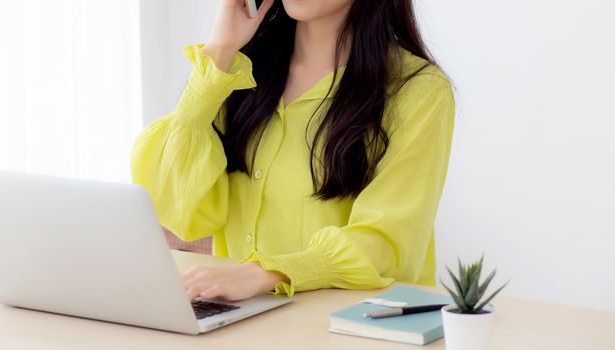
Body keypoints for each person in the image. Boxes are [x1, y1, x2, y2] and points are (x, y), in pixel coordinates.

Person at [131, 0, 454, 302]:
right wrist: (220, 50)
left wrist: (263, 273)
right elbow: (181, 209)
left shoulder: (417, 91)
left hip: (354, 320)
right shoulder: (238, 72)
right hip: (241, 313)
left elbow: (386, 240)